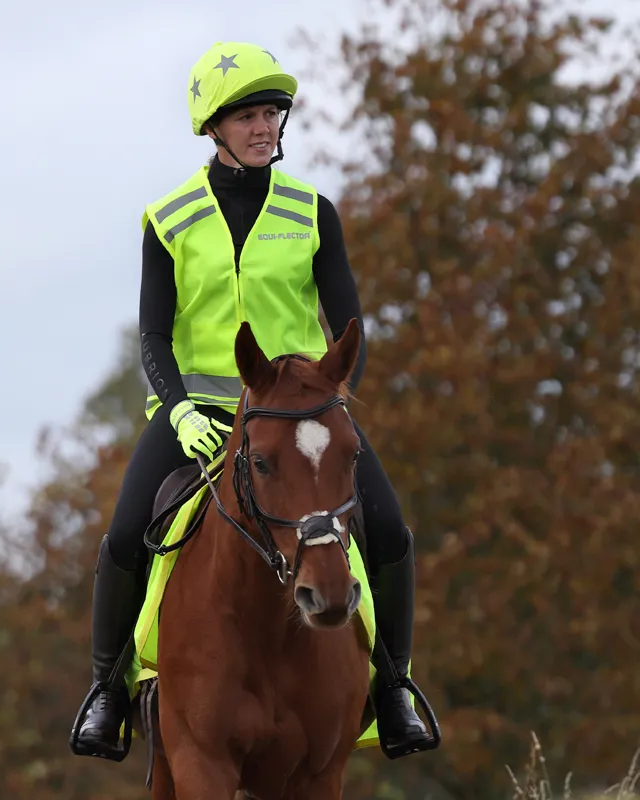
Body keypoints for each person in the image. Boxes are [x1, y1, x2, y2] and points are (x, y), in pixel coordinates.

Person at [72, 40, 432, 761]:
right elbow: (153, 335)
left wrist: (324, 401)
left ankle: (393, 687)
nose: (265, 125)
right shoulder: (168, 220)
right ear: (213, 126)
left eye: (272, 113)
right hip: (199, 417)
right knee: (121, 539)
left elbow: (347, 325)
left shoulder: (312, 212)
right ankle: (108, 691)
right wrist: (176, 409)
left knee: (389, 532)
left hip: (299, 417)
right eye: (248, 116)